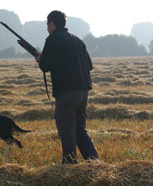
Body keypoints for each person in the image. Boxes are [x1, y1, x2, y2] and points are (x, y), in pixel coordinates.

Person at [35, 10, 98, 164]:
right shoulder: (78, 40)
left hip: (66, 94)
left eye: (47, 24)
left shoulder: (52, 40)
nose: (47, 28)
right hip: (83, 93)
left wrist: (40, 59)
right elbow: (88, 66)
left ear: (52, 24)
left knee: (66, 131)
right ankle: (95, 163)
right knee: (80, 130)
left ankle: (69, 166)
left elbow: (45, 66)